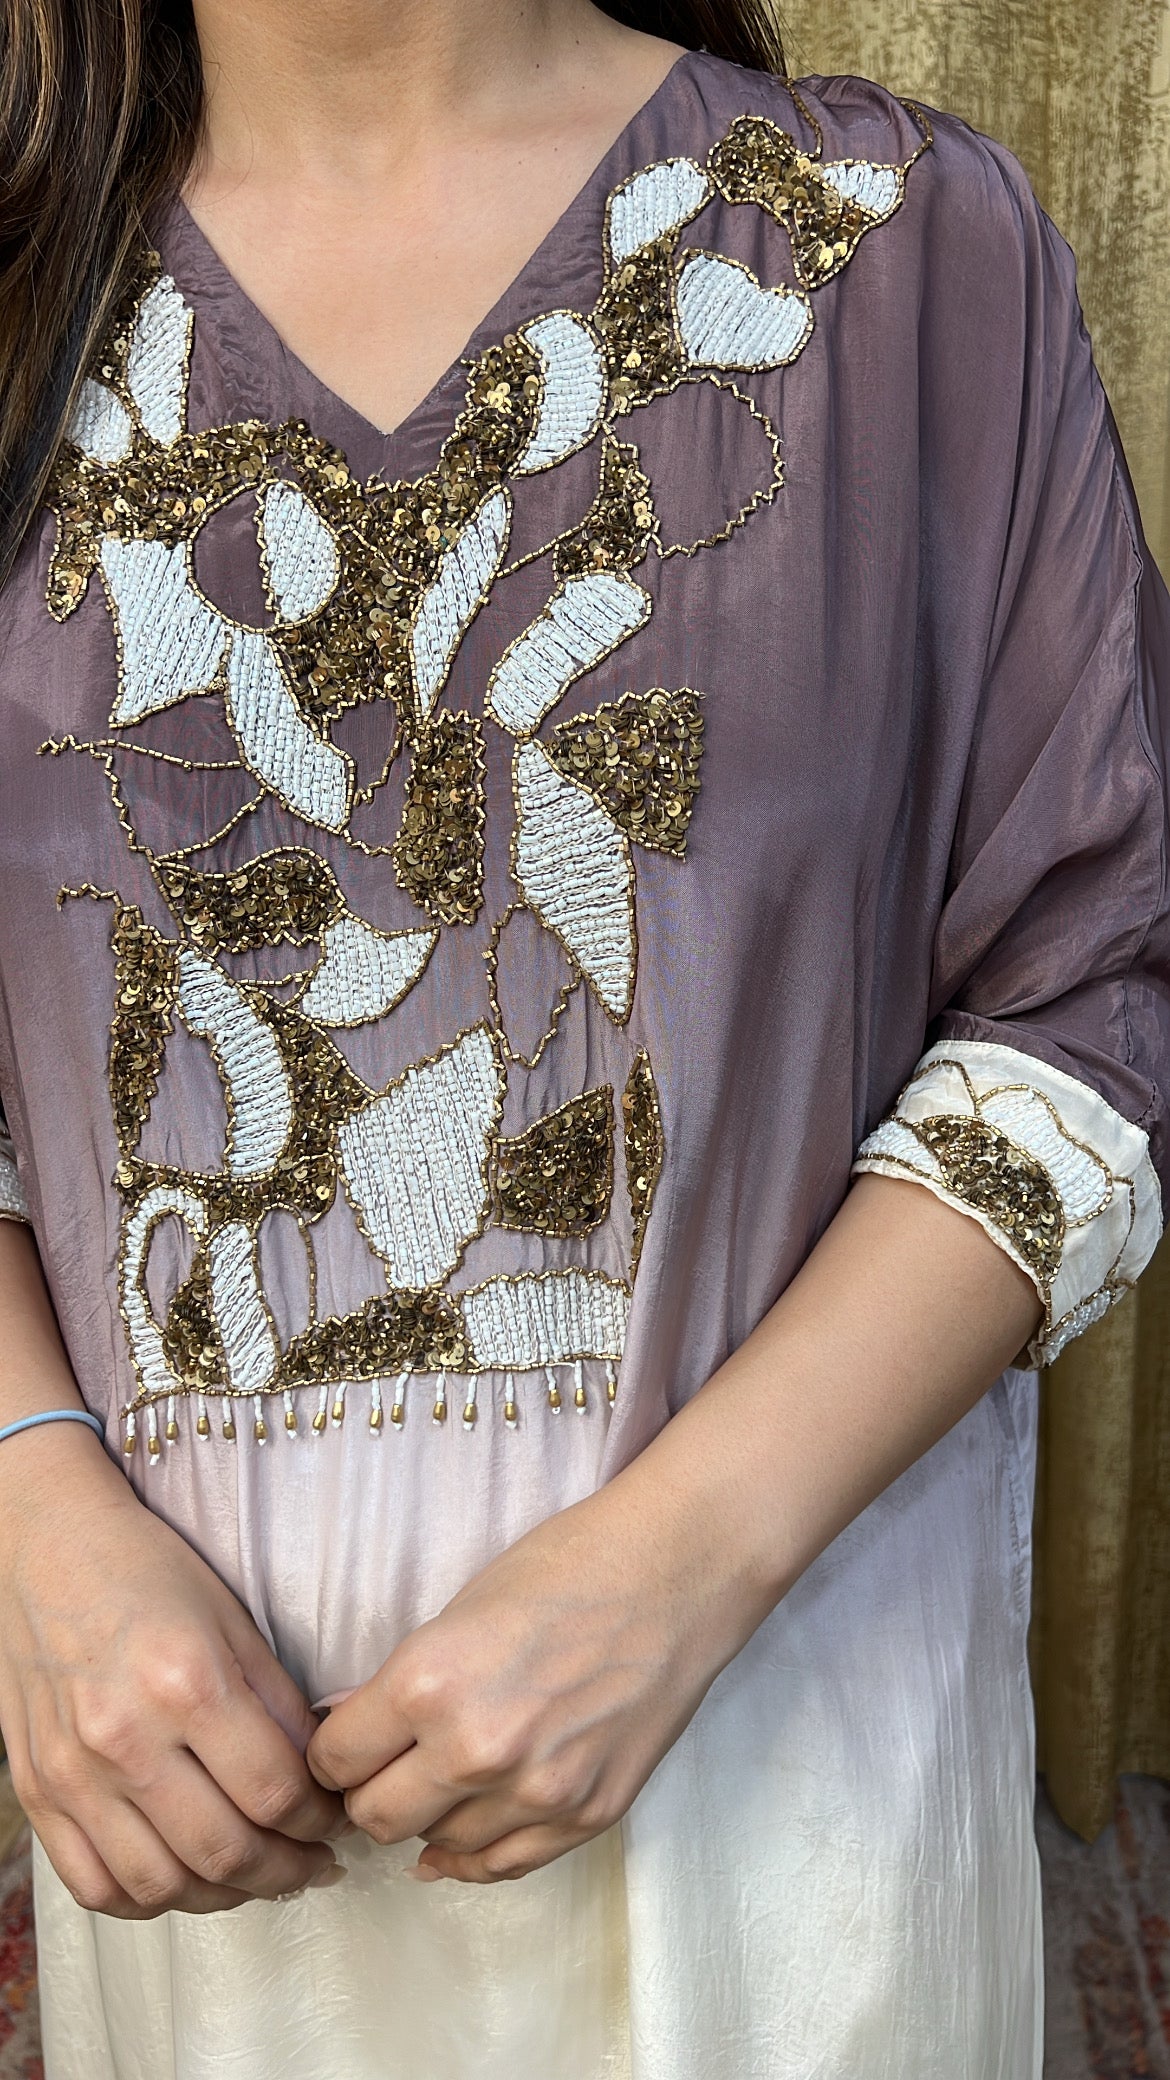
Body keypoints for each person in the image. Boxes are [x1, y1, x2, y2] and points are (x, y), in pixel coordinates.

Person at [0, 0, 1166, 2074]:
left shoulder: (905, 249)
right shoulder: (24, 290)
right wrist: (36, 1514)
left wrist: (682, 1563)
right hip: (207, 1859)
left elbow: (1093, 993)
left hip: (793, 1808)